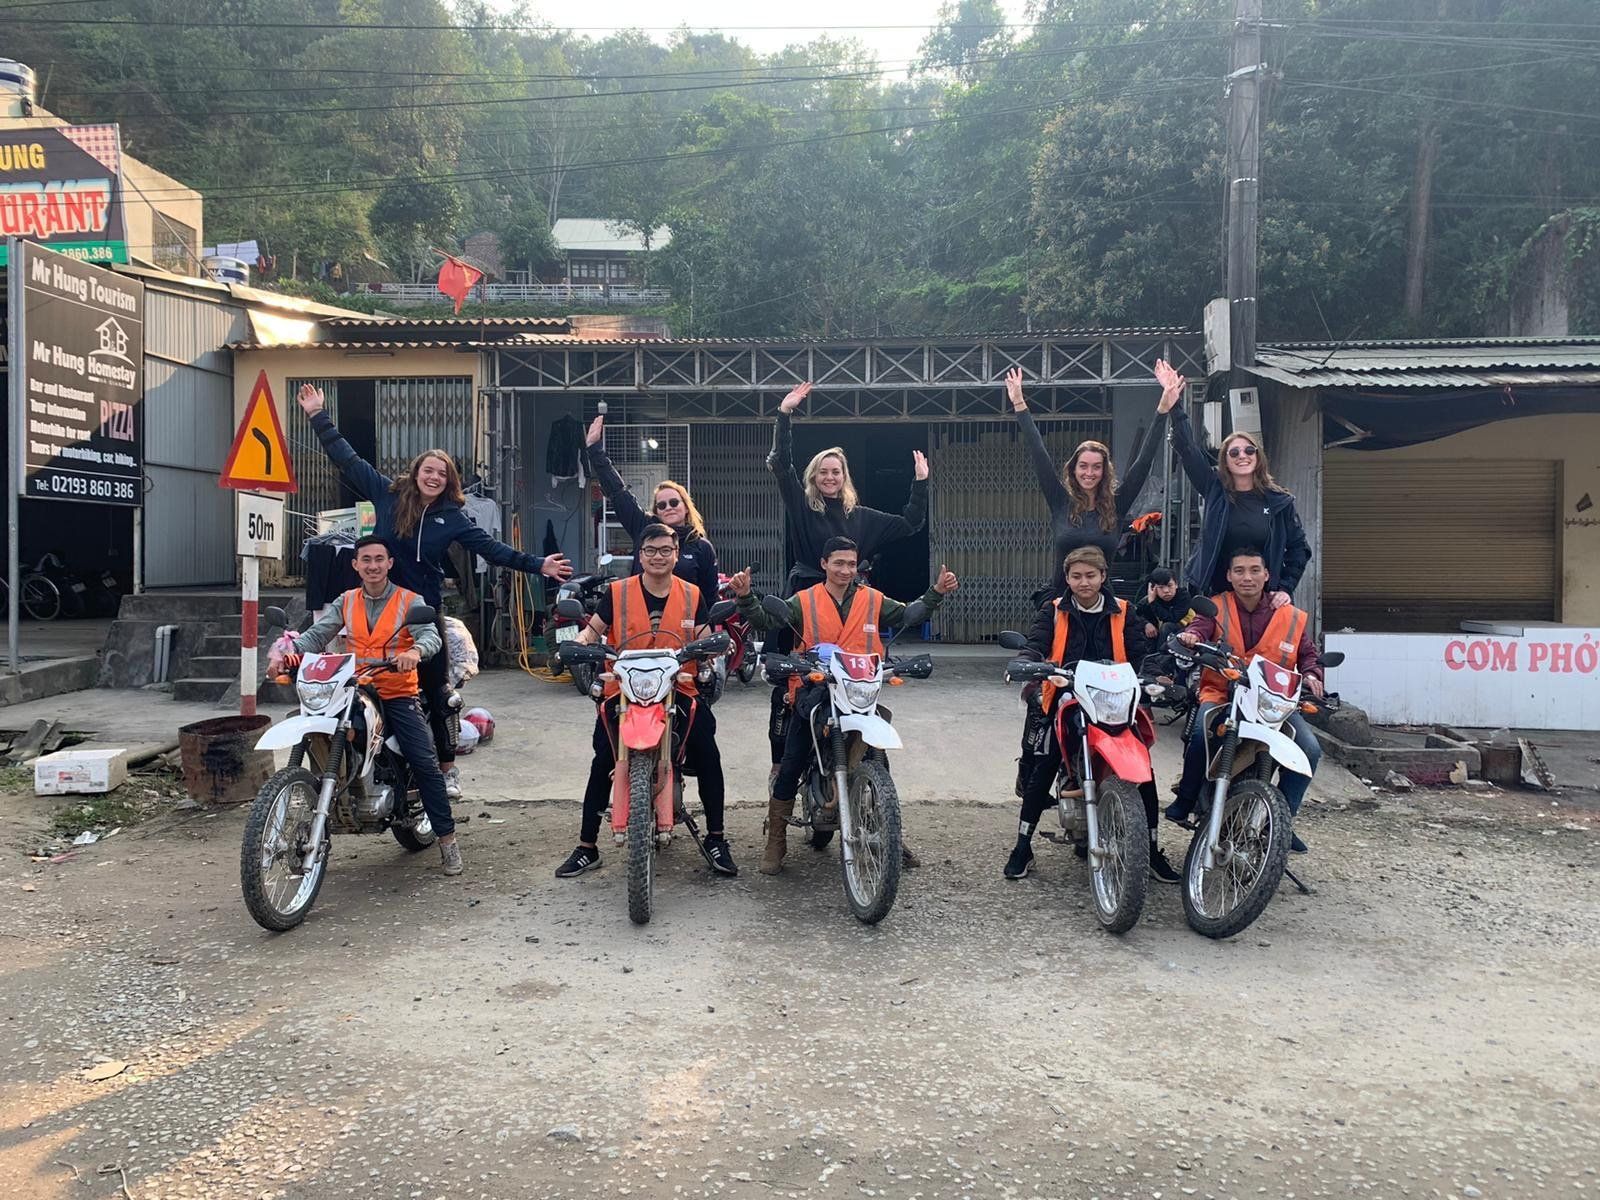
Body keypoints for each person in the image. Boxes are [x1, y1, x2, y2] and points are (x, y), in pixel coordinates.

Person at [296, 385, 573, 801]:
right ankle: (357, 765)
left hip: (421, 618)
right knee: (354, 689)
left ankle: (446, 770)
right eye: (428, 469)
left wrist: (539, 565)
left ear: (448, 482)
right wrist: (319, 415)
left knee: (438, 695)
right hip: (373, 610)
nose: (433, 476)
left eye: (441, 473)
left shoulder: (454, 519)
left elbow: (492, 549)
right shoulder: (388, 495)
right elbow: (348, 460)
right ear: (416, 472)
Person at [765, 383, 931, 847]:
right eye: (823, 471)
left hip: (853, 619)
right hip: (804, 611)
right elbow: (781, 466)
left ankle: (888, 832)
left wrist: (920, 483)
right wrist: (785, 415)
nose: (830, 477)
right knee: (791, 710)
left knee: (870, 728)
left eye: (836, 471)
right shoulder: (802, 509)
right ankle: (779, 820)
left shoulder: (861, 518)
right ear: (814, 477)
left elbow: (910, 523)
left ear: (845, 476)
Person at [731, 536, 958, 876]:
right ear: (824, 564)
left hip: (859, 691)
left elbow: (909, 613)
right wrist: (747, 596)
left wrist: (937, 592)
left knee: (879, 758)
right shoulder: (803, 601)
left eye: (851, 564)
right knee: (792, 762)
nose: (845, 570)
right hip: (814, 690)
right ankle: (776, 839)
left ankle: (889, 832)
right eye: (838, 563)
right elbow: (766, 620)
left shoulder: (872, 599)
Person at [269, 536, 463, 876]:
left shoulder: (409, 600)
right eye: (366, 560)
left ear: (389, 563)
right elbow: (317, 634)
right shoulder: (345, 601)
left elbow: (430, 635)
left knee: (424, 762)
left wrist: (415, 652)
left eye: (379, 559)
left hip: (397, 691)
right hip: (354, 687)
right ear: (355, 565)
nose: (372, 565)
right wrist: (289, 654)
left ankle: (447, 842)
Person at [553, 524, 736, 879]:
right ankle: (587, 846)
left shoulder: (693, 594)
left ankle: (716, 838)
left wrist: (715, 645)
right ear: (640, 555)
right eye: (650, 550)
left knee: (708, 750)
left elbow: (703, 634)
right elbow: (593, 630)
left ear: (675, 553)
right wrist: (579, 643)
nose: (658, 557)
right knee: (603, 756)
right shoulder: (616, 593)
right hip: (623, 691)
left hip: (678, 688)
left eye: (665, 550)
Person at [1003, 546, 1179, 884]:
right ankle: (1022, 846)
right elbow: (1036, 643)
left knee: (1143, 770)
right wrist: (1028, 661)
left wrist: (1154, 675)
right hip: (1068, 695)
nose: (1084, 582)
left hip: (1115, 699)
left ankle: (1152, 850)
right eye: (1076, 576)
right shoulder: (1052, 610)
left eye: (1091, 575)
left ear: (1103, 577)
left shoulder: (1125, 611)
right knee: (1047, 761)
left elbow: (1143, 654)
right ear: (1067, 579)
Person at [1167, 546, 1323, 854]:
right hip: (1224, 694)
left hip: (1272, 702)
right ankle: (1185, 799)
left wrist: (1314, 675)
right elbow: (1199, 627)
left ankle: (1280, 821)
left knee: (1310, 748)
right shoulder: (1216, 606)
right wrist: (1192, 638)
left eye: (1254, 570)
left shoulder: (1290, 615)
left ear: (1266, 575)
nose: (1247, 577)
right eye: (1239, 571)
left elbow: (1308, 655)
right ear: (1229, 575)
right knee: (1200, 732)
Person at [1003, 366, 1171, 603]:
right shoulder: (1060, 501)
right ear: (1073, 469)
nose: (1089, 473)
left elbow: (1143, 462)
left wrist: (1163, 408)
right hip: (1060, 604)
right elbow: (1038, 452)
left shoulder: (1117, 505)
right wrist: (1020, 404)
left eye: (1096, 467)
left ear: (1104, 471)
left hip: (1102, 606)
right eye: (1083, 466)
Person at [1156, 360, 1311, 604]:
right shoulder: (1214, 488)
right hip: (1216, 595)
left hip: (1262, 599)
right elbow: (1188, 449)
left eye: (1249, 450)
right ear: (1224, 461)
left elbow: (1299, 550)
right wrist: (1175, 405)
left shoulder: (1279, 501)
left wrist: (1284, 588)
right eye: (1234, 452)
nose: (1243, 456)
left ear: (1258, 457)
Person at [583, 414, 720, 599]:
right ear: (656, 511)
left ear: (686, 506)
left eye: (674, 502)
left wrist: (703, 627)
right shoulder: (644, 528)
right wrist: (595, 450)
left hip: (683, 624)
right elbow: (618, 492)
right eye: (662, 505)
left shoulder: (701, 547)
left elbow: (709, 597)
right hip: (640, 621)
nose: (668, 507)